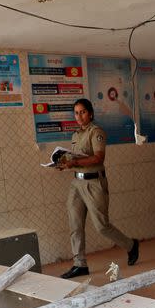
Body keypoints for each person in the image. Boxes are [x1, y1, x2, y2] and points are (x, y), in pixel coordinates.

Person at [57, 98, 138, 279]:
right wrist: (64, 164)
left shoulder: (97, 132)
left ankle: (131, 245)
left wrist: (75, 162)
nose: (79, 116)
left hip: (94, 184)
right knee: (75, 225)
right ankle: (80, 264)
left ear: (90, 113)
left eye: (83, 112)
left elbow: (98, 158)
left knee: (102, 226)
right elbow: (74, 158)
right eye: (76, 113)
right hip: (76, 184)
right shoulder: (75, 135)